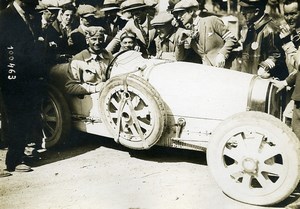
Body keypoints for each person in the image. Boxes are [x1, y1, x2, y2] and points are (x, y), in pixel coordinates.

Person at [0, 0, 48, 174]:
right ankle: (13, 161)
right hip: (10, 78)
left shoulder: (30, 15)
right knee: (13, 119)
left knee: (22, 118)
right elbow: (6, 50)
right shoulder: (5, 17)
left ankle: (16, 157)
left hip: (28, 78)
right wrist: (11, 75)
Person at [172, 0, 238, 68]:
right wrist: (180, 42)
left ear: (191, 11)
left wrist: (222, 54)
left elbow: (231, 38)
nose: (179, 17)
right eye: (177, 15)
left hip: (227, 67)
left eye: (181, 14)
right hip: (208, 71)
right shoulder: (187, 33)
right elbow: (180, 58)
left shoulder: (211, 21)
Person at [239, 0, 289, 80]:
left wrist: (264, 67)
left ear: (256, 11)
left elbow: (277, 55)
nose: (241, 12)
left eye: (245, 9)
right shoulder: (248, 26)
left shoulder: (271, 29)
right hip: (248, 78)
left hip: (263, 81)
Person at [65, 21, 113, 95]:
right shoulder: (78, 60)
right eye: (94, 39)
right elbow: (70, 87)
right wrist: (95, 89)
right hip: (89, 101)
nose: (97, 42)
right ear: (87, 40)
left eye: (100, 39)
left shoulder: (109, 56)